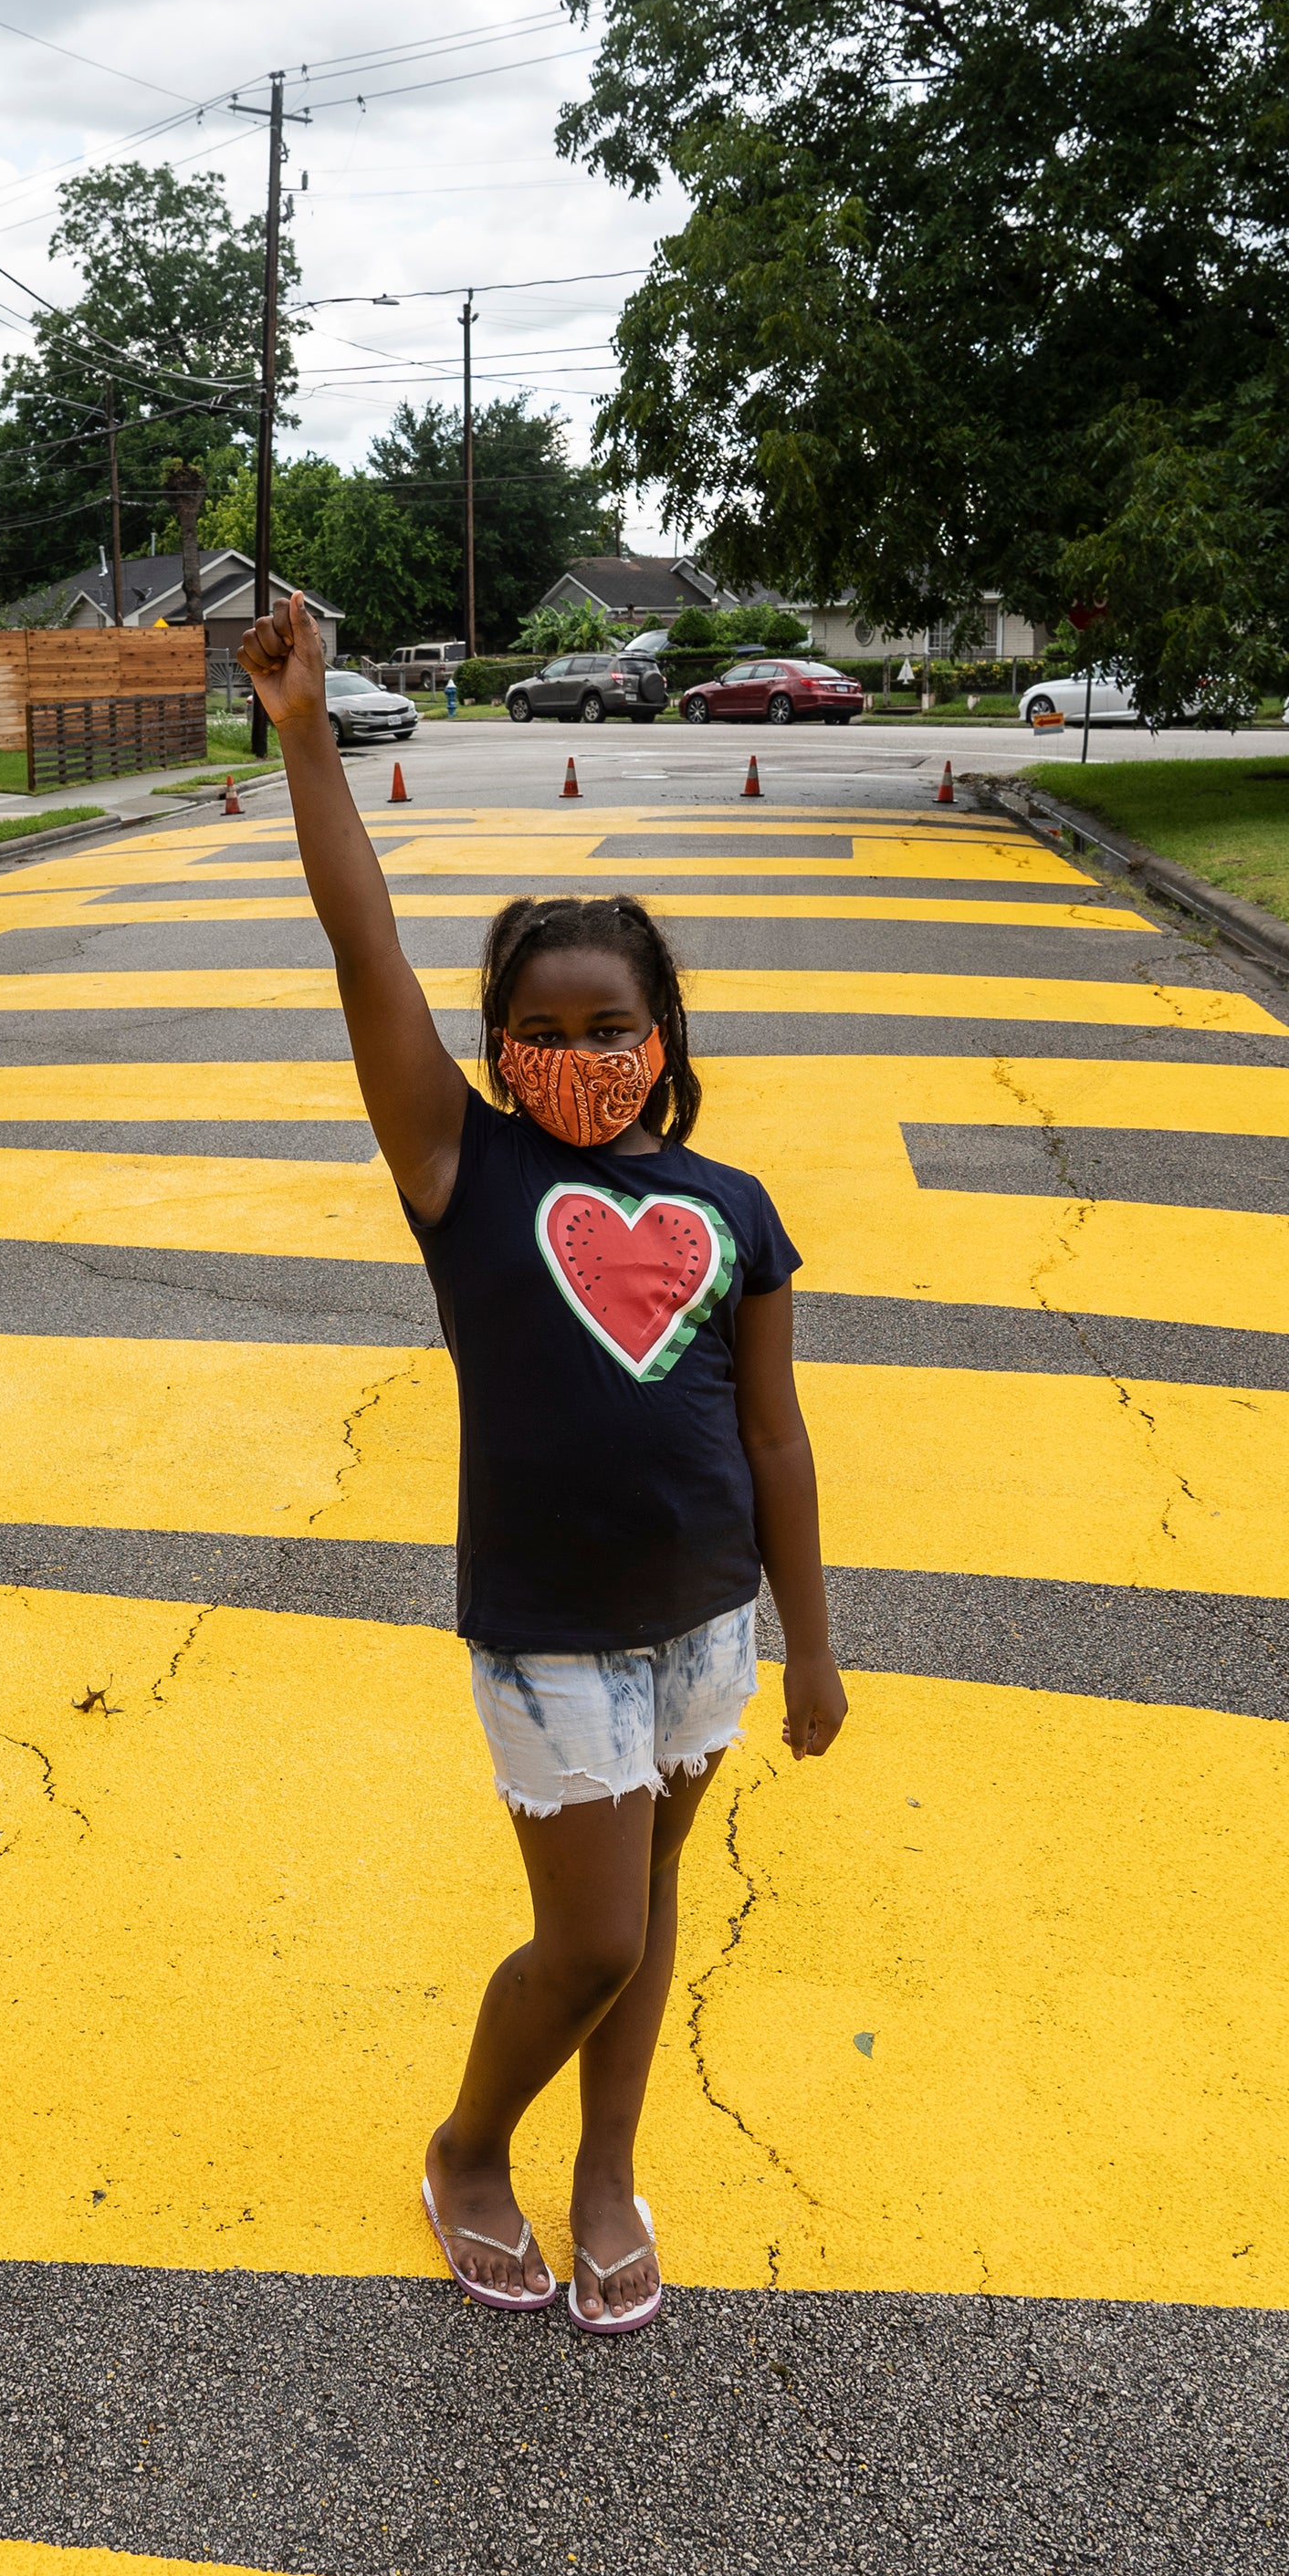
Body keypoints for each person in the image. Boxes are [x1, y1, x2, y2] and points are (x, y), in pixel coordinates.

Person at [244, 591, 850, 2338]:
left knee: (654, 1910)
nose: (576, 1057)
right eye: (542, 1030)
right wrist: (303, 738)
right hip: (546, 1626)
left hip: (703, 1623)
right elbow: (364, 944)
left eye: (609, 1028)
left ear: (664, 1032)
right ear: (497, 1046)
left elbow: (775, 1435)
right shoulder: (464, 1170)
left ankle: (609, 2173)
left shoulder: (735, 1210)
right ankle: (469, 2148)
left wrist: (807, 1642)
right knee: (586, 1938)